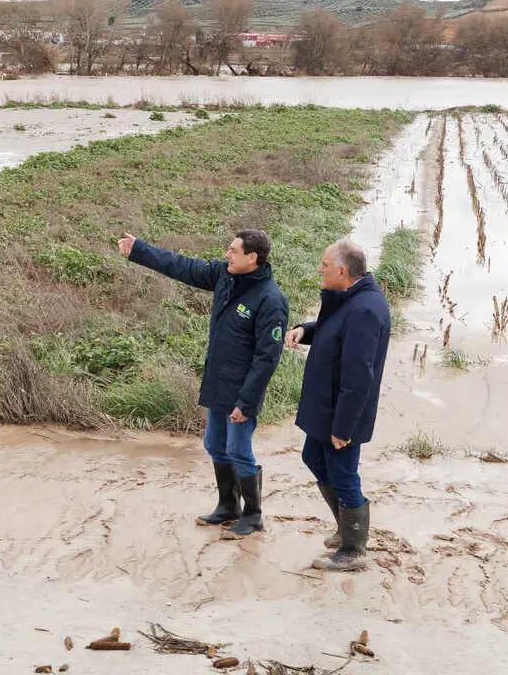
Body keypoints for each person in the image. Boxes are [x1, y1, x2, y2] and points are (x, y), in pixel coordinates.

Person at [119, 229, 288, 538]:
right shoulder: (224, 276)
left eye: (234, 251)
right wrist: (139, 250)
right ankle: (228, 506)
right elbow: (182, 265)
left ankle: (252, 514)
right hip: (217, 382)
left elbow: (267, 358)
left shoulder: (271, 300)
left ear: (252, 257)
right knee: (214, 444)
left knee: (239, 448)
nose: (227, 254)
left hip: (241, 391)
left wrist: (246, 402)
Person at [285, 240, 390, 571]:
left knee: (343, 475)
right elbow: (335, 330)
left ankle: (353, 550)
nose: (320, 269)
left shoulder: (366, 310)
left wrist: (343, 428)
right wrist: (307, 329)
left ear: (342, 271)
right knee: (313, 457)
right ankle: (345, 528)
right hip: (326, 406)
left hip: (342, 413)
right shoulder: (350, 299)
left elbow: (359, 378)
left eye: (325, 264)